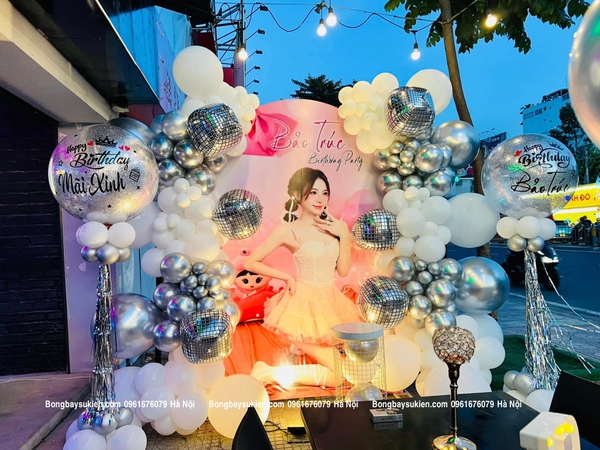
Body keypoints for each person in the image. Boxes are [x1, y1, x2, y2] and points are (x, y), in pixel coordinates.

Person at [244, 167, 362, 385]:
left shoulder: (334, 228)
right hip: (301, 306)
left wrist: (344, 234)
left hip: (330, 304)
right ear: (298, 195)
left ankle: (269, 372)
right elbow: (250, 262)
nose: (320, 199)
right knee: (343, 373)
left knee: (344, 374)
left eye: (324, 193)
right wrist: (286, 277)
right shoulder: (288, 230)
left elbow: (343, 271)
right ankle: (271, 370)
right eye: (313, 192)